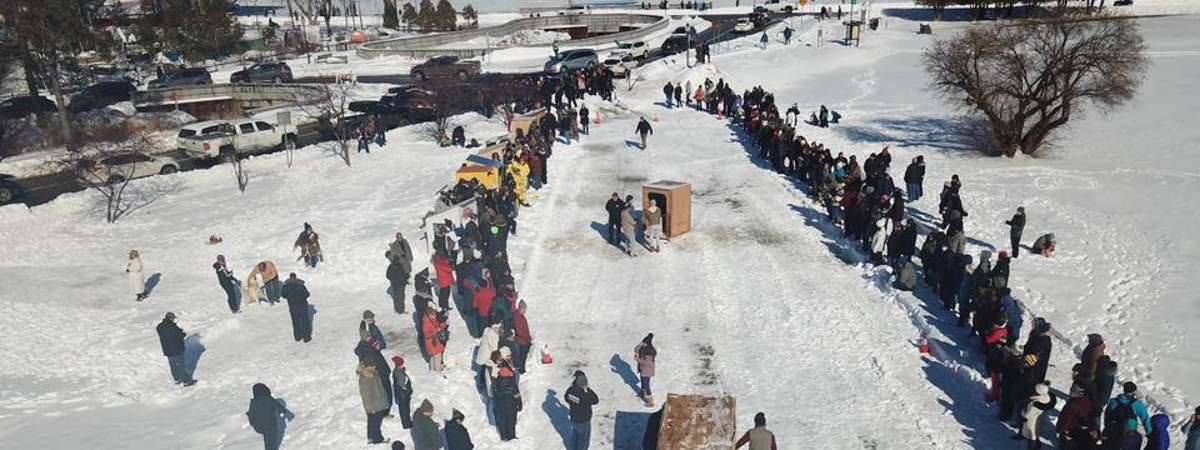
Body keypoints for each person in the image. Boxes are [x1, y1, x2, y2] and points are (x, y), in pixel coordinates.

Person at [1103, 382, 1153, 448]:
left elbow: (1107, 417)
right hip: (1130, 434)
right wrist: (1150, 434)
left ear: (1124, 390)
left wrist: (1107, 430)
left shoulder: (1113, 402)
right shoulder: (1137, 404)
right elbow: (1146, 419)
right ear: (1134, 391)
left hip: (1114, 431)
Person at [246, 383, 294, 450]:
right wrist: (289, 415)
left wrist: (253, 423)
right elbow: (279, 407)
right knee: (271, 443)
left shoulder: (253, 402)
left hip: (259, 427)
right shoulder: (268, 399)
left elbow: (250, 415)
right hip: (270, 427)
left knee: (268, 440)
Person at [156, 312, 195, 386]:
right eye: (173, 318)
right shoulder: (173, 327)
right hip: (177, 349)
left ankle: (177, 379)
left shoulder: (159, 327)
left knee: (173, 365)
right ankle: (186, 381)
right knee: (180, 365)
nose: (174, 320)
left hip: (167, 350)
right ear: (171, 318)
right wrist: (181, 332)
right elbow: (181, 335)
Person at [565, 370, 599, 450]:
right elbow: (596, 400)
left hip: (574, 419)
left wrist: (572, 386)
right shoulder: (586, 396)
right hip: (584, 422)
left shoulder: (570, 391)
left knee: (576, 437)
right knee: (583, 442)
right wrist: (589, 389)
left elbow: (566, 397)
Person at [358, 362, 391, 444]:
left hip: (377, 403)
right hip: (375, 405)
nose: (374, 366)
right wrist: (370, 409)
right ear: (366, 367)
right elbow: (366, 395)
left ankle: (371, 437)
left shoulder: (371, 374)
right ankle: (377, 439)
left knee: (372, 421)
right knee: (376, 423)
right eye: (372, 365)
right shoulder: (366, 378)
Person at [491, 353, 522, 441]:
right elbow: (516, 394)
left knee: (502, 420)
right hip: (511, 404)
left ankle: (503, 436)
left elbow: (494, 392)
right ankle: (511, 436)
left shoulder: (497, 380)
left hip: (501, 404)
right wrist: (519, 404)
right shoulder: (511, 381)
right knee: (511, 420)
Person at [1056, 385, 1096, 450]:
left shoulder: (1073, 404)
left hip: (1069, 429)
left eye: (1072, 391)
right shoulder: (1088, 401)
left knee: (1064, 444)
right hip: (1078, 430)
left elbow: (1066, 419)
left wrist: (1059, 429)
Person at [1019, 382, 1057, 450]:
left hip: (1031, 423)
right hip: (1039, 422)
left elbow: (1028, 415)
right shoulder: (1047, 399)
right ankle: (1037, 446)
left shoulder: (1036, 404)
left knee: (1031, 437)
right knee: (1036, 434)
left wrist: (1022, 413)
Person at [281, 273, 313, 342]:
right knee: (305, 321)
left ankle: (297, 337)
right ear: (295, 277)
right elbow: (307, 294)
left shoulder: (286, 286)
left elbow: (283, 295)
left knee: (296, 322)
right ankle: (306, 337)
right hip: (302, 306)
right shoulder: (301, 285)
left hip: (292, 307)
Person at [423, 306, 449, 373]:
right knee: (437, 356)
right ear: (429, 315)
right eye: (433, 315)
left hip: (434, 341)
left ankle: (432, 370)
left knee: (433, 356)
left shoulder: (431, 320)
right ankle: (438, 371)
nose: (435, 316)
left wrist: (444, 324)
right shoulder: (426, 323)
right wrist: (436, 330)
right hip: (432, 342)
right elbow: (427, 334)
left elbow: (438, 326)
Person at [392, 356, 414, 429]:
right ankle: (407, 424)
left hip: (401, 395)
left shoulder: (398, 371)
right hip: (403, 395)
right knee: (404, 410)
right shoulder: (399, 373)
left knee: (404, 410)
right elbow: (402, 384)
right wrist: (407, 390)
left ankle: (407, 422)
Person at [634, 333, 657, 406]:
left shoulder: (650, 351)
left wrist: (637, 359)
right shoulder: (643, 348)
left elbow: (647, 363)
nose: (643, 343)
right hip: (643, 369)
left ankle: (651, 401)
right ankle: (642, 393)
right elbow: (635, 350)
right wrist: (640, 345)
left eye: (644, 342)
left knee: (646, 385)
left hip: (647, 371)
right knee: (643, 382)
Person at [513, 300, 533, 374]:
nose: (525, 311)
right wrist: (526, 337)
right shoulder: (517, 316)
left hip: (524, 339)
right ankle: (521, 369)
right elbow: (519, 330)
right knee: (522, 356)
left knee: (523, 355)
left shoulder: (520, 315)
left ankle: (522, 368)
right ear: (521, 308)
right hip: (521, 341)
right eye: (524, 309)